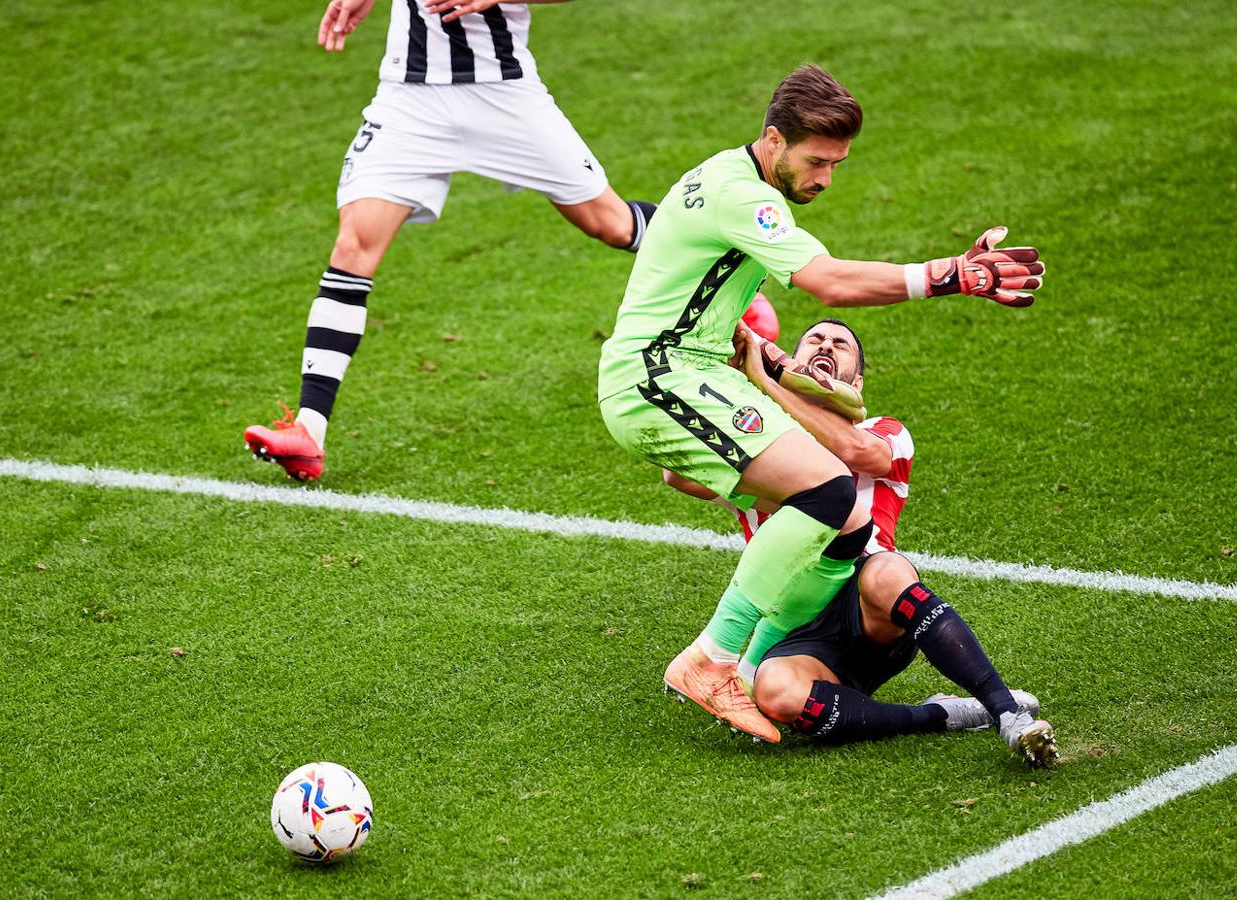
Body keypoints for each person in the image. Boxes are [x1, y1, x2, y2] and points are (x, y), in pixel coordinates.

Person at [597, 64, 1044, 744]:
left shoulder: (721, 177)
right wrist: (953, 275)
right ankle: (711, 661)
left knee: (836, 497)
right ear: (774, 141)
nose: (827, 178)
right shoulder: (740, 192)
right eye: (817, 161)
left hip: (681, 368)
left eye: (837, 164)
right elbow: (827, 282)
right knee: (832, 492)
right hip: (656, 376)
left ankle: (728, 658)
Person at [244, 0, 657, 482]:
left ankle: (728, 279)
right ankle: (308, 432)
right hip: (409, 98)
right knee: (353, 246)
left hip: (503, 94)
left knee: (610, 224)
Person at [667, 318, 1057, 765]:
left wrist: (767, 383)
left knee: (888, 571)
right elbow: (677, 473)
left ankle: (1008, 714)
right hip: (797, 630)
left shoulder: (884, 430)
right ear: (793, 363)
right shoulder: (760, 454)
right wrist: (723, 385)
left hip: (872, 606)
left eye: (840, 344)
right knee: (774, 694)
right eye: (814, 339)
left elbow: (856, 453)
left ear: (856, 382)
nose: (826, 344)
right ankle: (940, 715)